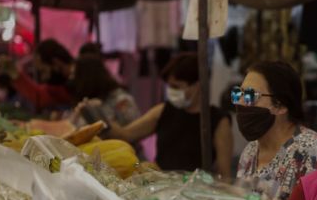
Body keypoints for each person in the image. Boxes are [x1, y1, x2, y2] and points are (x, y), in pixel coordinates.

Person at [98, 52, 233, 177]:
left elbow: (224, 174)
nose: (171, 91)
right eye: (169, 86)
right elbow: (125, 134)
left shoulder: (219, 121)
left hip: (194, 192)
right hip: (161, 185)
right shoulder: (163, 110)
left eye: (177, 86)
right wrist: (98, 116)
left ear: (197, 86)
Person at [233, 61, 317, 200]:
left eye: (249, 95)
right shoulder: (250, 150)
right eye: (237, 94)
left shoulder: (312, 151)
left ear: (281, 105)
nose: (240, 102)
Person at [0, 39, 76, 113]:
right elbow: (40, 95)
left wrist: (17, 76)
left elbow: (40, 97)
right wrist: (16, 75)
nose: (44, 77)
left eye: (44, 71)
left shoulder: (78, 79)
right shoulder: (64, 81)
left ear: (56, 63)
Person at [69, 54, 141, 127]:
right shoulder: (84, 101)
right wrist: (77, 113)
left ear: (87, 77)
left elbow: (134, 128)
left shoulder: (120, 99)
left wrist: (99, 111)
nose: (71, 78)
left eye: (74, 74)